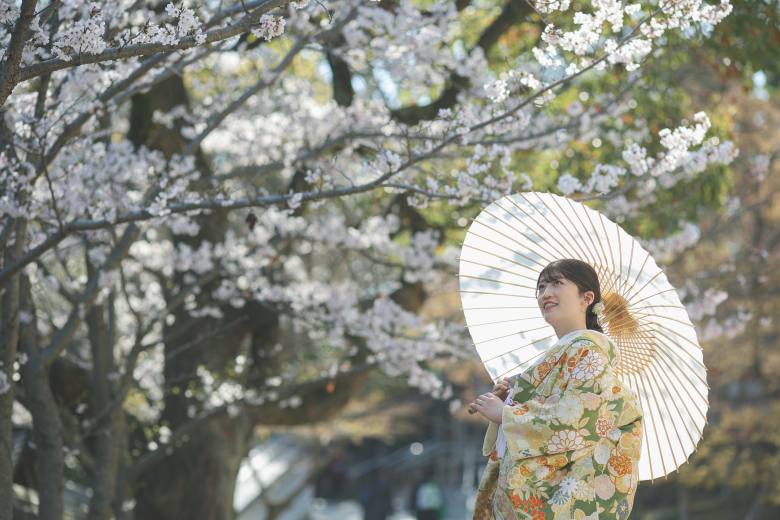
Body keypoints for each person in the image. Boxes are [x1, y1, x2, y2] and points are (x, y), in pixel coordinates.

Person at [470, 259, 643, 519]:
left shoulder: (588, 351)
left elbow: (578, 418)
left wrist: (506, 415)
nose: (545, 294)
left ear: (586, 297)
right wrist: (511, 399)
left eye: (556, 283)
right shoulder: (564, 352)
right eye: (541, 287)